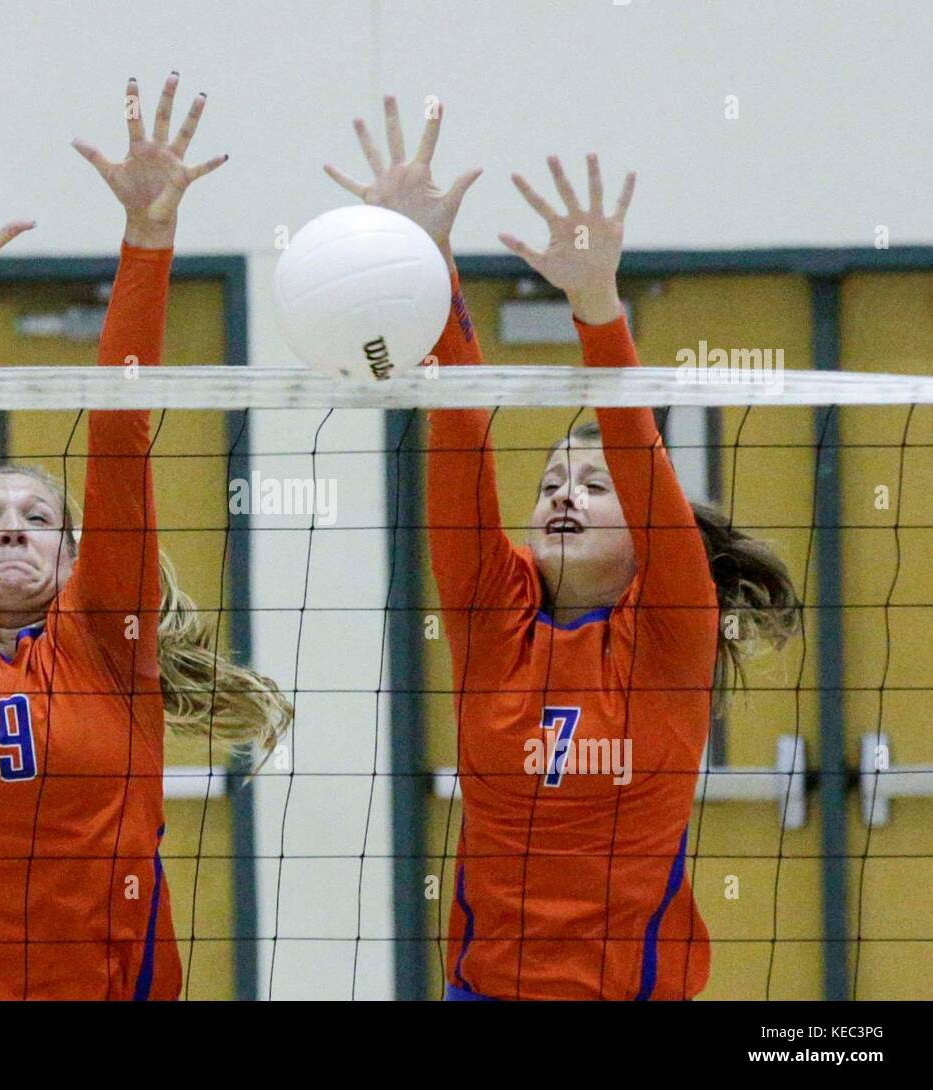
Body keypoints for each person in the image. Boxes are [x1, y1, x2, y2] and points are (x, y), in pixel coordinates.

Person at [326, 97, 799, 999]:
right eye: (548, 483)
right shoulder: (490, 613)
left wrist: (595, 307)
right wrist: (428, 258)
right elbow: (457, 426)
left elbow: (637, 445)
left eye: (592, 484)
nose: (562, 496)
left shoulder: (671, 628)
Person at [0, 74, 291, 1000]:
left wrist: (148, 241)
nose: (11, 528)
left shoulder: (109, 639)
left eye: (40, 519)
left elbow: (119, 428)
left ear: (73, 561)